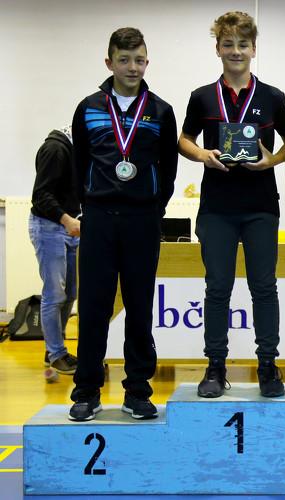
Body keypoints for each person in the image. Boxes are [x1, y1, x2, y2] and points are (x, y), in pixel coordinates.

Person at [178, 11, 285, 399]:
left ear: (254, 49)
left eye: (243, 44)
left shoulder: (272, 97)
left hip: (261, 206)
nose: (236, 51)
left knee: (264, 287)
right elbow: (183, 139)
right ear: (218, 49)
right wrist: (202, 155)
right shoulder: (202, 96)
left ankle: (268, 366)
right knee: (217, 289)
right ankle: (215, 367)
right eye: (228, 44)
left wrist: (272, 161)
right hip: (217, 208)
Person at [69, 27, 178, 421]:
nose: (133, 67)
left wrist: (153, 207)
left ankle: (137, 391)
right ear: (109, 62)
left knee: (139, 307)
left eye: (139, 60)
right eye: (125, 60)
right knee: (93, 307)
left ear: (147, 62)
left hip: (142, 221)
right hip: (99, 218)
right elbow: (79, 162)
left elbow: (169, 168)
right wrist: (90, 203)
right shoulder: (88, 107)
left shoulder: (161, 111)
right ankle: (86, 390)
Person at [29, 126, 80, 376]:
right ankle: (56, 353)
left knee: (70, 292)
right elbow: (41, 196)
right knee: (54, 293)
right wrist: (66, 220)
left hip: (67, 227)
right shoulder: (55, 150)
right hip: (50, 227)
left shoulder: (72, 151)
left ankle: (54, 349)